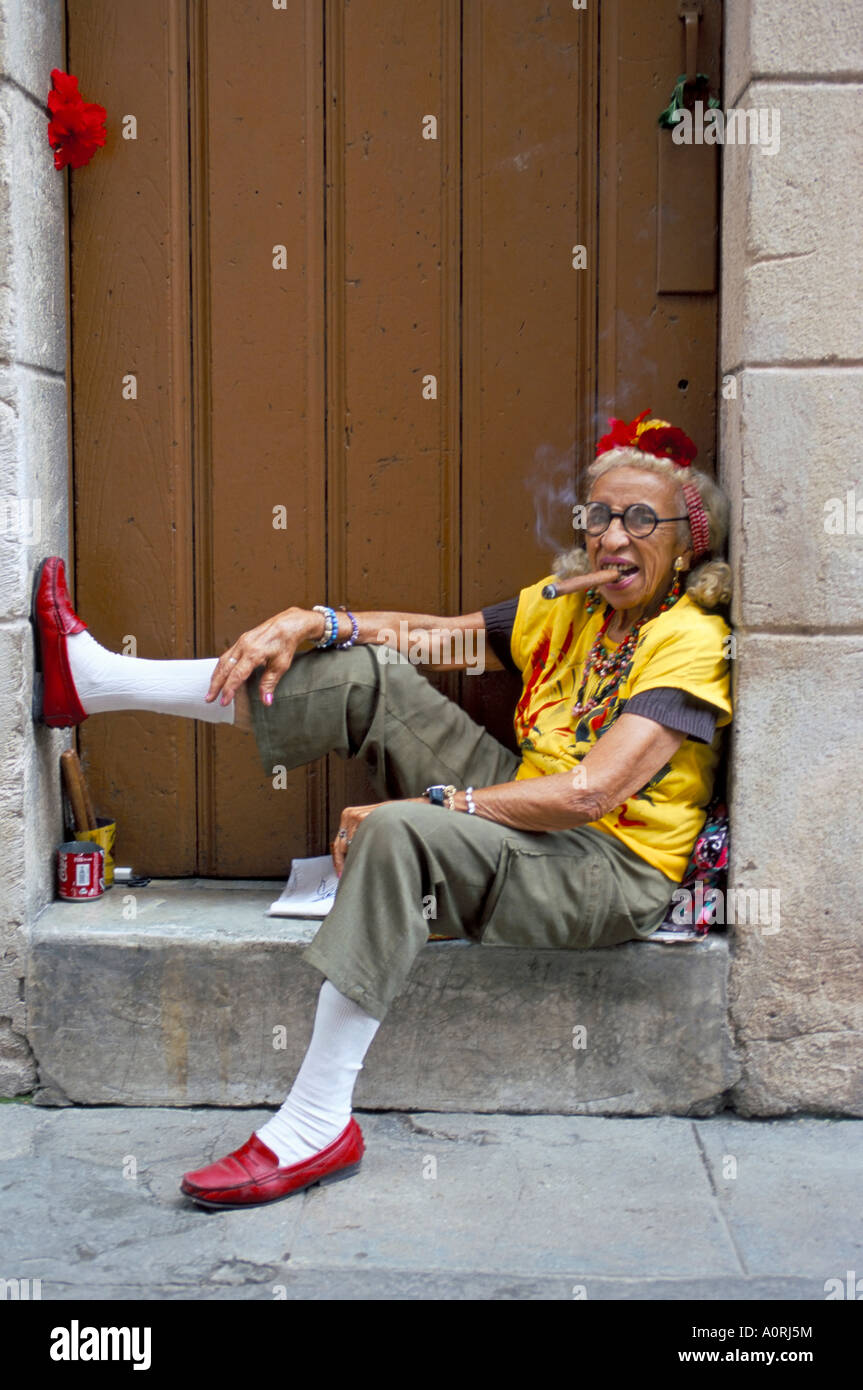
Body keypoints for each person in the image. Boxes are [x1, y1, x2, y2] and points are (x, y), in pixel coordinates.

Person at [32, 409, 732, 1211]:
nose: (613, 538)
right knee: (364, 669)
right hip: (524, 801)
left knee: (399, 831)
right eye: (599, 515)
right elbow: (439, 640)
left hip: (605, 867)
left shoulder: (690, 641)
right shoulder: (568, 602)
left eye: (641, 520)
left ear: (687, 544)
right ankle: (95, 684)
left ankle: (316, 1123)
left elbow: (589, 794)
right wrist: (318, 621)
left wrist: (443, 805)